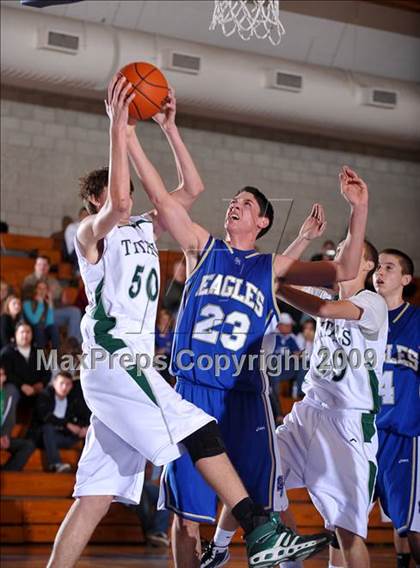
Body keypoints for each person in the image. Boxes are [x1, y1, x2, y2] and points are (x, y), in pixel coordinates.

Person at [45, 76, 331, 568]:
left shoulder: (141, 226)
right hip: (115, 357)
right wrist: (121, 128)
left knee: (92, 497)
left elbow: (192, 189)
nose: (126, 196)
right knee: (196, 425)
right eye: (114, 191)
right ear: (92, 202)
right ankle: (259, 528)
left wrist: (169, 128)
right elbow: (117, 202)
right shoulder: (91, 234)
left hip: (128, 368)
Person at [132, 96, 369, 566]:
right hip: (193, 390)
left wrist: (359, 209)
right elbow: (162, 199)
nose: (235, 206)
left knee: (263, 513)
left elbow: (342, 268)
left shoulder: (271, 266)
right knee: (187, 519)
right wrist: (141, 130)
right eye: (233, 201)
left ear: (262, 221)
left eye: (246, 203)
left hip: (245, 396)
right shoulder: (203, 247)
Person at [275, 239, 388, 568]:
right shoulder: (324, 291)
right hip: (309, 411)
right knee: (263, 476)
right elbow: (278, 272)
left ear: (366, 266)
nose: (341, 257)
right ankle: (290, 554)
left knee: (347, 533)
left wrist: (279, 290)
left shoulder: (373, 302)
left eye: (350, 253)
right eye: (338, 252)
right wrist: (304, 237)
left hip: (348, 422)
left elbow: (322, 311)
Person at [373, 249, 420, 567]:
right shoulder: (362, 317)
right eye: (377, 266)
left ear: (405, 279)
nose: (380, 271)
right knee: (344, 523)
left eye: (389, 267)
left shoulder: (416, 320)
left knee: (412, 525)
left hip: (403, 432)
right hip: (364, 434)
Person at [29, 371, 89, 473]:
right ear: (54, 383)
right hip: (42, 437)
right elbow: (45, 417)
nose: (64, 387)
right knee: (47, 427)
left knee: (88, 432)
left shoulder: (72, 399)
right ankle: (56, 464)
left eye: (68, 384)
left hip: (63, 437)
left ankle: (86, 469)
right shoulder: (45, 395)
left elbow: (82, 416)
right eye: (61, 383)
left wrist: (85, 427)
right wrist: (67, 424)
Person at [22, 255, 82, 342]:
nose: (42, 267)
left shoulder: (52, 281)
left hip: (51, 312)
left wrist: (63, 297)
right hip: (36, 314)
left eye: (45, 265)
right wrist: (42, 295)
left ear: (48, 267)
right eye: (39, 264)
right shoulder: (29, 281)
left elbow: (61, 299)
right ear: (35, 266)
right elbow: (26, 301)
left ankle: (72, 344)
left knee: (75, 311)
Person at [0, 321, 50, 408]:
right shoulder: (7, 352)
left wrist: (42, 383)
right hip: (17, 388)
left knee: (50, 392)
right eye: (22, 332)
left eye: (28, 332)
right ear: (16, 334)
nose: (25, 335)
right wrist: (22, 385)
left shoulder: (38, 351)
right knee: (11, 390)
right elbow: (7, 374)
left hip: (36, 389)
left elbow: (47, 372)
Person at [0, 364, 36, 471]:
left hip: (3, 436)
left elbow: (10, 418)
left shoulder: (10, 392)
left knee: (28, 445)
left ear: (5, 377)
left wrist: (4, 435)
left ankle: (8, 473)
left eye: (0, 374)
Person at [23, 281, 60, 349]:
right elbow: (34, 321)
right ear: (35, 290)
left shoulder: (46, 303)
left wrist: (50, 305)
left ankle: (56, 355)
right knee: (39, 326)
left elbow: (50, 323)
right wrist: (40, 304)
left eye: (44, 288)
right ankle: (40, 356)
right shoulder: (27, 303)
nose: (42, 291)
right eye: (39, 288)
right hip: (32, 332)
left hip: (43, 333)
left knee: (53, 327)